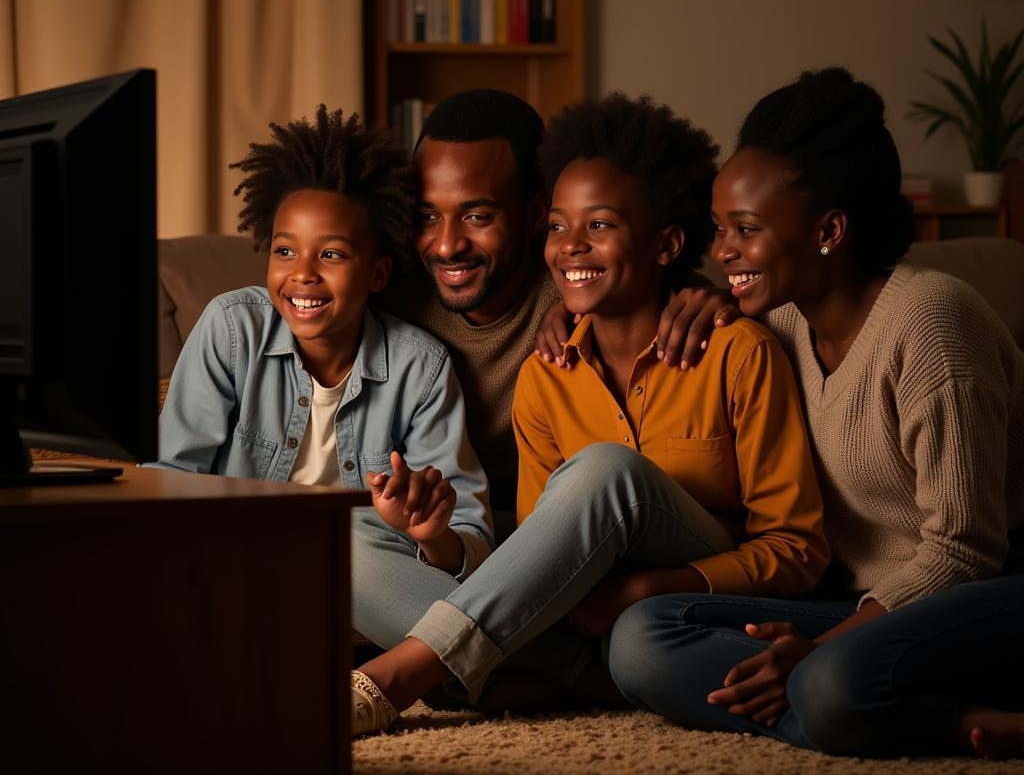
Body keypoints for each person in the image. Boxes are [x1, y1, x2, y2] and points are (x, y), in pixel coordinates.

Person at [349, 93, 829, 737]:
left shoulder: (739, 353)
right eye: (558, 226)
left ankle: (396, 678)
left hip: (692, 591)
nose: (570, 246)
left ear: (667, 244)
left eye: (597, 225)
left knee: (606, 470)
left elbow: (797, 548)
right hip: (584, 611)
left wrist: (649, 586)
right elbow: (528, 550)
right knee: (345, 542)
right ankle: (576, 677)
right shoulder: (545, 376)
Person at [608, 68, 1024, 760]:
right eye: (718, 229)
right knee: (642, 638)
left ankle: (859, 703)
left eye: (745, 229)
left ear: (829, 229)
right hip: (863, 603)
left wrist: (814, 653)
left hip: (987, 592)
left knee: (830, 683)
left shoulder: (933, 323)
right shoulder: (778, 321)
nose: (722, 252)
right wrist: (712, 298)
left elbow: (963, 551)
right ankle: (946, 720)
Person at [156, 106, 494, 633]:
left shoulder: (420, 368)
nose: (302, 275)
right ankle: (498, 665)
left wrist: (430, 533)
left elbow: (468, 538)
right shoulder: (230, 329)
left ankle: (466, 658)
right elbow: (172, 480)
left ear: (378, 272)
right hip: (238, 568)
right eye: (285, 250)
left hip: (368, 580)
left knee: (353, 543)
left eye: (332, 254)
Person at [388, 88, 736, 534]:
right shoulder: (391, 297)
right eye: (429, 216)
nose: (446, 245)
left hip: (562, 535)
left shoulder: (578, 288)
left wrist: (713, 297)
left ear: (535, 214)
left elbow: (651, 279)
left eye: (477, 217)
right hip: (440, 536)